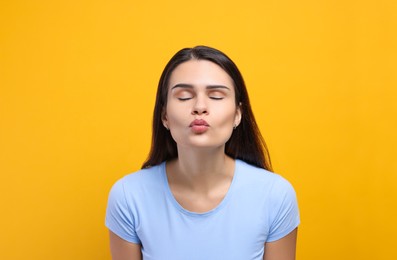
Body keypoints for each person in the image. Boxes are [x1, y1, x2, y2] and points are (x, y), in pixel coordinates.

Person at [105, 46, 300, 260]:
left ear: (237, 115)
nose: (199, 107)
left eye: (216, 96)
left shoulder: (275, 196)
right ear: (164, 116)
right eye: (184, 96)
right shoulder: (128, 196)